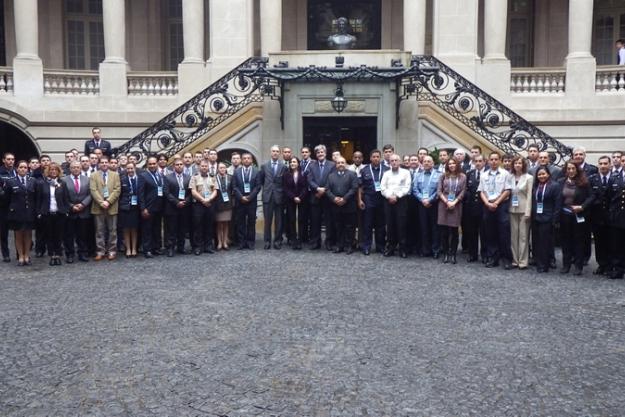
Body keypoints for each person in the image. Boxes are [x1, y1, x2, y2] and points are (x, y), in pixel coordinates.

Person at [478, 152, 514, 269]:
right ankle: (493, 258)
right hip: (488, 205)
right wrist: (488, 203)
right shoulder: (483, 175)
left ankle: (507, 259)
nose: (493, 161)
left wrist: (496, 202)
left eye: (496, 159)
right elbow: (481, 191)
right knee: (490, 233)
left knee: (504, 233)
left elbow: (508, 190)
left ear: (499, 161)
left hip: (501, 205)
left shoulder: (506, 174)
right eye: (491, 159)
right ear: (488, 161)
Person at [557, 161, 594, 275]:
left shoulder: (584, 182)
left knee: (579, 241)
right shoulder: (561, 182)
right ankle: (566, 265)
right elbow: (559, 199)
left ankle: (578, 266)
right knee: (565, 241)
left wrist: (582, 207)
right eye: (569, 169)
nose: (571, 171)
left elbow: (592, 197)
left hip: (578, 215)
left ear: (577, 170)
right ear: (566, 170)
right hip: (565, 215)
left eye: (573, 168)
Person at [4, 160, 36, 266]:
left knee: (28, 234)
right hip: (16, 212)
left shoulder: (32, 180)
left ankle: (27, 255)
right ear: (17, 169)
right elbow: (6, 198)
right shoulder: (10, 181)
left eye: (25, 167)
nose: (23, 169)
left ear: (28, 169)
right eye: (21, 167)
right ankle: (20, 256)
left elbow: (35, 197)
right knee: (18, 235)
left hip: (29, 211)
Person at [35, 163, 68, 266]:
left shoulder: (62, 183)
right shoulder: (42, 183)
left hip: (59, 213)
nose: (53, 171)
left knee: (58, 235)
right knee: (49, 235)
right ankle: (52, 255)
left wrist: (66, 210)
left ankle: (57, 255)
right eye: (51, 170)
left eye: (55, 170)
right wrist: (39, 212)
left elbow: (65, 199)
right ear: (48, 171)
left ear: (58, 172)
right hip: (47, 213)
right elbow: (38, 200)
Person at [90, 156, 121, 261]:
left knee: (112, 230)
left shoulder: (115, 175)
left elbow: (117, 190)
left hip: (112, 206)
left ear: (108, 164)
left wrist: (108, 201)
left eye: (105, 162)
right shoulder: (94, 175)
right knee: (99, 230)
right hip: (98, 207)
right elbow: (93, 190)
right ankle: (100, 251)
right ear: (99, 164)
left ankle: (112, 251)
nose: (104, 164)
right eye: (102, 162)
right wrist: (101, 202)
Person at [358, 149, 389, 255]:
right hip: (368, 199)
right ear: (370, 158)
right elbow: (360, 187)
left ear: (380, 158)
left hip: (382, 200)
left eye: (377, 156)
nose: (375, 158)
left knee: (380, 225)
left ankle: (380, 246)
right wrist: (360, 200)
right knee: (367, 224)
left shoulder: (386, 169)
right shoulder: (365, 170)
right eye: (373, 157)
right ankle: (366, 246)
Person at [381, 153, 412, 258]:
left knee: (401, 225)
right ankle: (390, 247)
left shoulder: (406, 173)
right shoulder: (386, 174)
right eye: (392, 161)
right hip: (388, 201)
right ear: (389, 163)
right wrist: (390, 196)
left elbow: (407, 187)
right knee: (390, 225)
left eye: (396, 160)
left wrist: (396, 196)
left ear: (399, 162)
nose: (394, 162)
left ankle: (403, 249)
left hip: (401, 201)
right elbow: (382, 187)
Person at [326, 157, 359, 254]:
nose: (340, 164)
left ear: (346, 164)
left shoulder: (352, 174)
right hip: (336, 205)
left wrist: (344, 198)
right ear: (336, 165)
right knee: (338, 226)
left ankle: (349, 246)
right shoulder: (331, 176)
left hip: (349, 205)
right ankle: (339, 245)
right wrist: (334, 198)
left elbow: (354, 188)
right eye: (338, 163)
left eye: (342, 162)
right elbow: (327, 189)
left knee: (350, 227)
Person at [436, 158, 466, 264]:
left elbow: (463, 191)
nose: (452, 165)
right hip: (444, 205)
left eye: (453, 163)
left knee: (454, 232)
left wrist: (454, 202)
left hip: (456, 205)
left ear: (457, 164)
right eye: (450, 164)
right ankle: (445, 254)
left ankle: (453, 254)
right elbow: (439, 191)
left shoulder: (462, 176)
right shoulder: (443, 176)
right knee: (444, 232)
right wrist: (447, 202)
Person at [531, 167, 561, 273]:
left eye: (543, 174)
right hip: (536, 217)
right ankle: (539, 262)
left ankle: (544, 264)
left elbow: (558, 204)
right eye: (539, 175)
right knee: (537, 241)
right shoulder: (536, 186)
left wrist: (555, 219)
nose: (541, 176)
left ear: (548, 174)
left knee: (545, 242)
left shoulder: (555, 186)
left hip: (548, 217)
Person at [61, 161, 92, 263]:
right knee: (68, 235)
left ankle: (82, 253)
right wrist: (71, 206)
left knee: (82, 235)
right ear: (70, 168)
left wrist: (83, 204)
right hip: (70, 212)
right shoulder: (63, 180)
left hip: (83, 211)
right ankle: (70, 254)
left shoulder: (87, 179)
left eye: (77, 167)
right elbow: (62, 196)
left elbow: (90, 194)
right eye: (73, 167)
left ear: (80, 168)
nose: (75, 169)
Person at [307, 145, 336, 250]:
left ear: (325, 153)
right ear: (316, 154)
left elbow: (332, 179)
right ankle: (316, 242)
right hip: (315, 197)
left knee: (329, 221)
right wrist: (317, 189)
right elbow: (309, 180)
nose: (320, 154)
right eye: (318, 152)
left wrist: (324, 190)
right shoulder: (312, 165)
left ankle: (329, 242)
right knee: (315, 221)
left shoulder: (332, 165)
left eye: (322, 152)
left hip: (328, 198)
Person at [413, 155, 442, 258]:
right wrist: (422, 199)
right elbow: (415, 189)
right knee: (423, 227)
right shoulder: (418, 175)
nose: (426, 163)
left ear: (433, 163)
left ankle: (435, 250)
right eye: (425, 161)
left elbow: (439, 190)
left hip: (434, 204)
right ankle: (425, 249)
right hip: (422, 205)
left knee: (435, 228)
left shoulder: (439, 175)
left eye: (429, 161)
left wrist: (429, 200)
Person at [259, 145, 287, 250]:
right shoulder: (264, 166)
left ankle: (278, 241)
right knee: (267, 221)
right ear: (270, 153)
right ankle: (267, 241)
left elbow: (285, 183)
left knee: (279, 221)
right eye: (273, 151)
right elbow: (262, 181)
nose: (275, 153)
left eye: (277, 151)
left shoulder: (283, 167)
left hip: (279, 197)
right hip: (267, 196)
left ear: (279, 153)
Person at [589, 156, 613, 275]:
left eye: (605, 163)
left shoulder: (614, 178)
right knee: (599, 242)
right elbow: (590, 196)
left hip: (611, 216)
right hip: (597, 216)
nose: (603, 166)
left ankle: (610, 265)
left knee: (611, 242)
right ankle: (601, 264)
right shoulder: (593, 179)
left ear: (610, 165)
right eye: (601, 164)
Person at [163, 158, 191, 257]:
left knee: (182, 229)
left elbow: (191, 192)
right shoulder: (167, 177)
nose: (179, 166)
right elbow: (166, 192)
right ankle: (170, 248)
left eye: (181, 164)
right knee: (172, 229)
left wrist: (185, 202)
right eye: (177, 165)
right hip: (172, 207)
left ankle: (181, 247)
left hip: (184, 207)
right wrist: (176, 202)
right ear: (174, 166)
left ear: (183, 166)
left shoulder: (188, 177)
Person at [138, 156, 165, 258]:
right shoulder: (143, 176)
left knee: (157, 229)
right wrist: (143, 208)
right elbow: (140, 193)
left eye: (154, 164)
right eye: (150, 164)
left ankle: (156, 248)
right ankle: (147, 250)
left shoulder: (160, 175)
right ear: (147, 164)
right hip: (148, 208)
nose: (152, 165)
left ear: (157, 164)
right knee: (147, 230)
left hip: (159, 207)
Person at [232, 153, 261, 249]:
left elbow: (258, 187)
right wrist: (241, 197)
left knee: (251, 222)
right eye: (244, 158)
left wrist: (249, 197)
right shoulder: (237, 172)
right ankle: (241, 242)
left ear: (252, 160)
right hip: (240, 201)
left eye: (248, 158)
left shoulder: (257, 171)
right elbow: (234, 187)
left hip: (252, 201)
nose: (246, 160)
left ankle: (250, 242)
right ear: (241, 160)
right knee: (240, 222)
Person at [509, 156, 533, 269]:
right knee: (514, 236)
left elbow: (529, 196)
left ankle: (523, 261)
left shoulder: (529, 178)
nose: (518, 165)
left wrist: (528, 211)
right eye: (516, 163)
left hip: (524, 210)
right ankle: (515, 260)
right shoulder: (509, 177)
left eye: (520, 163)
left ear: (523, 165)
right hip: (512, 209)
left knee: (523, 236)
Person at [189, 160, 218, 255]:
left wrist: (209, 199)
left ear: (208, 167)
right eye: (202, 166)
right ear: (199, 167)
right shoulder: (194, 177)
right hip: (198, 204)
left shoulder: (213, 177)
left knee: (209, 225)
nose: (204, 167)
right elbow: (193, 191)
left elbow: (215, 191)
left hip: (210, 204)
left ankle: (208, 246)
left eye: (206, 166)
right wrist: (203, 200)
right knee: (198, 226)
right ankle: (198, 247)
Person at [463, 154, 486, 263]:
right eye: (476, 161)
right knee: (472, 232)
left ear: (484, 162)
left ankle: (485, 254)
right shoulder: (469, 174)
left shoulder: (487, 174)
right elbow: (466, 189)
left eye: (480, 161)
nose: (478, 163)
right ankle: (472, 254)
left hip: (483, 206)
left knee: (484, 232)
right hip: (471, 207)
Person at [283, 157, 308, 250]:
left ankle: (300, 240)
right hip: (290, 200)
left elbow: (305, 187)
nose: (292, 163)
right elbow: (285, 188)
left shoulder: (303, 174)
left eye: (294, 162)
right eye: (291, 162)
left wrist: (300, 197)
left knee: (301, 220)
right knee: (292, 220)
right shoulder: (286, 175)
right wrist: (293, 197)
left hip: (302, 200)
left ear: (298, 163)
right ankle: (293, 240)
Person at [118, 162, 141, 258]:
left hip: (136, 207)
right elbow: (120, 194)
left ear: (135, 168)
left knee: (134, 228)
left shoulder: (140, 179)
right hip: (125, 207)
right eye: (128, 169)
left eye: (131, 168)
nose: (130, 170)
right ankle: (128, 249)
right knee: (126, 229)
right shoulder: (122, 179)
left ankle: (134, 248)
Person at [608, 167, 625, 279]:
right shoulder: (614, 178)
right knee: (618, 244)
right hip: (619, 216)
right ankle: (618, 269)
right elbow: (609, 196)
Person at [0, 152, 17, 262]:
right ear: (3, 160)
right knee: (3, 231)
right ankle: (5, 253)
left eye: (12, 159)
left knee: (19, 230)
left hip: (16, 205)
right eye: (8, 159)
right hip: (3, 206)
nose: (11, 161)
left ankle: (20, 252)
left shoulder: (17, 171)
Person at [214, 162, 233, 250]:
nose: (222, 169)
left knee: (226, 224)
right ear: (218, 169)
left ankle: (225, 242)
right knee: (218, 224)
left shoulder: (230, 178)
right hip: (217, 204)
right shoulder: (214, 178)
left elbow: (233, 189)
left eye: (224, 168)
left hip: (227, 204)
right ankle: (219, 242)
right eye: (220, 168)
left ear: (226, 169)